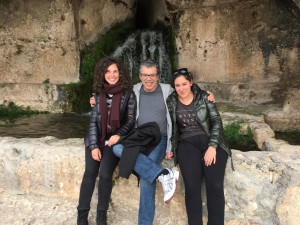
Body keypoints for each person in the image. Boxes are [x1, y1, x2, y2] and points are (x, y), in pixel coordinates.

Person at [88, 59, 215, 225]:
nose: (149, 79)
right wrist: (95, 99)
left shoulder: (167, 90)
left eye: (152, 75)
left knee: (146, 178)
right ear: (140, 76)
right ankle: (163, 174)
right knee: (117, 147)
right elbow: (112, 94)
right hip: (139, 136)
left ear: (158, 76)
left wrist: (206, 94)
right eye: (145, 75)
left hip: (159, 139)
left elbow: (187, 88)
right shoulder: (133, 89)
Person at [166, 68, 232, 225]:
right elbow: (169, 126)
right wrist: (169, 147)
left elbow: (216, 121)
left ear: (191, 83)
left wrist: (212, 146)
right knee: (192, 188)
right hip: (187, 144)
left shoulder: (204, 97)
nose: (181, 88)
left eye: (184, 84)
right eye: (177, 85)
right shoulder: (171, 101)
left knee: (214, 186)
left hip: (210, 141)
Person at [77, 57, 137, 225]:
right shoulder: (97, 93)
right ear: (102, 74)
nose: (112, 75)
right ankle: (81, 218)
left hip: (114, 140)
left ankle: (101, 218)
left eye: (115, 71)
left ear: (121, 73)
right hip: (97, 137)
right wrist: (94, 146)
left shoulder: (128, 94)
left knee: (104, 174)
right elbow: (94, 122)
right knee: (89, 173)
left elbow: (130, 121)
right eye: (108, 71)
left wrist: (119, 135)